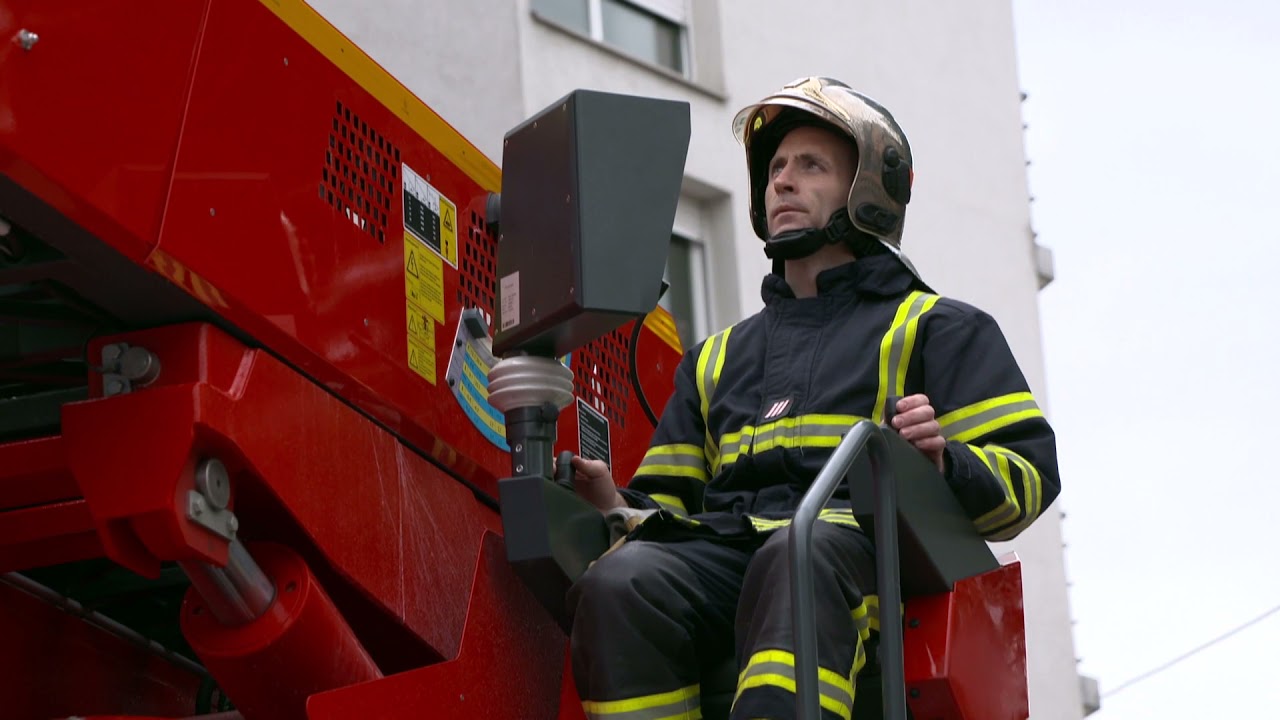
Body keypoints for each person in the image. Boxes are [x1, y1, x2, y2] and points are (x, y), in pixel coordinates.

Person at [562, 76, 1061, 720]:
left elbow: (1029, 482)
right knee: (619, 585)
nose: (782, 182)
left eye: (810, 166)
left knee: (796, 552)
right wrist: (611, 503)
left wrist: (941, 465)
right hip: (737, 560)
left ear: (870, 191)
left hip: (864, 570)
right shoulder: (715, 360)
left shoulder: (938, 328)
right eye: (774, 168)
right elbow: (666, 508)